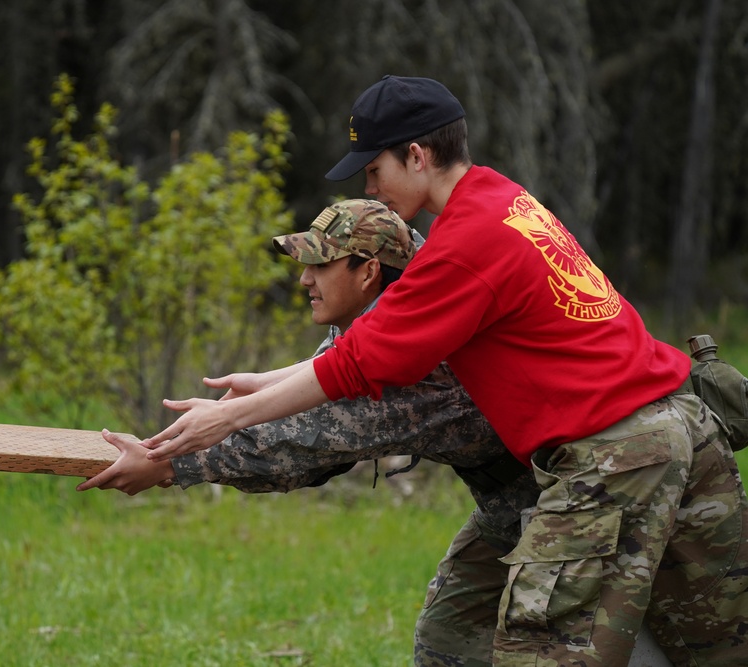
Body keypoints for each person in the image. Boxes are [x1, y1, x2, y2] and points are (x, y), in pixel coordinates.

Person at [139, 76, 748, 666]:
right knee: (720, 649)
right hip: (680, 427)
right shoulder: (504, 201)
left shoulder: (464, 243)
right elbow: (362, 350)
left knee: (549, 654)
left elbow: (357, 368)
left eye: (373, 171)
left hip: (617, 455)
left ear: (416, 155)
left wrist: (218, 426)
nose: (372, 187)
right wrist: (261, 383)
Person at [79, 198, 539, 665]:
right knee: (450, 636)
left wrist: (166, 463)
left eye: (321, 264)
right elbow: (324, 370)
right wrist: (260, 389)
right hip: (514, 503)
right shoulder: (391, 301)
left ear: (368, 273)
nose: (304, 279)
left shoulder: (406, 361)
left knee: (552, 651)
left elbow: (302, 442)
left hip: (571, 499)